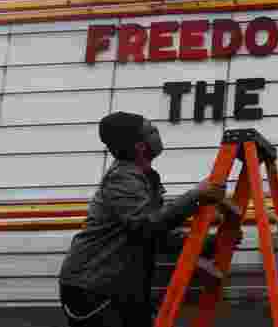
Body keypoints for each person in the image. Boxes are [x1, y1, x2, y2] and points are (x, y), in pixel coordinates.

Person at [59, 111, 232, 327]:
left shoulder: (143, 178)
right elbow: (146, 226)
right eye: (151, 130)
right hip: (94, 288)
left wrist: (212, 243)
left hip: (121, 287)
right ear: (140, 146)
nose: (158, 133)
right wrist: (196, 195)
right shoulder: (122, 178)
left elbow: (159, 236)